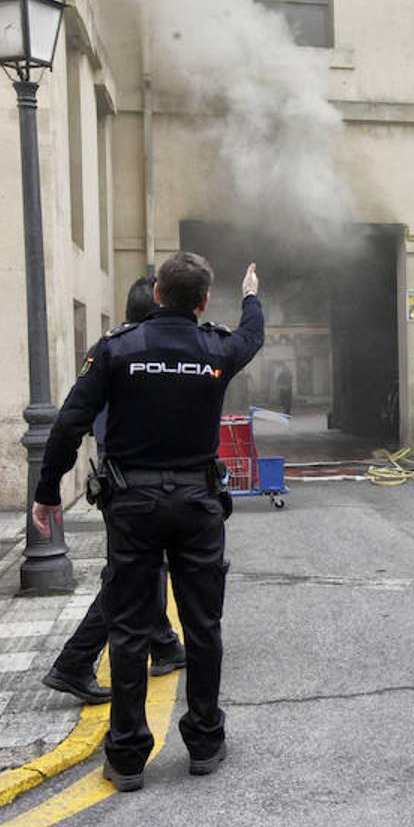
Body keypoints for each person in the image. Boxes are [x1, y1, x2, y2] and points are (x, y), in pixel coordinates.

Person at [31, 253, 263, 791]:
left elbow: (69, 422)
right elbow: (253, 334)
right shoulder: (217, 348)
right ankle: (205, 742)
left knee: (130, 630)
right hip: (198, 504)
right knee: (203, 628)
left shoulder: (116, 349)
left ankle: (129, 756)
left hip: (132, 505)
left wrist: (47, 492)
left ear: (156, 294)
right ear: (203, 301)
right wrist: (251, 293)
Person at [40, 276, 186, 705]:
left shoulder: (113, 349)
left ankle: (163, 645)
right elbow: (73, 422)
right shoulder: (128, 353)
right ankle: (74, 661)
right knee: (126, 578)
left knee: (145, 569)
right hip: (130, 484)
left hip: (119, 482)